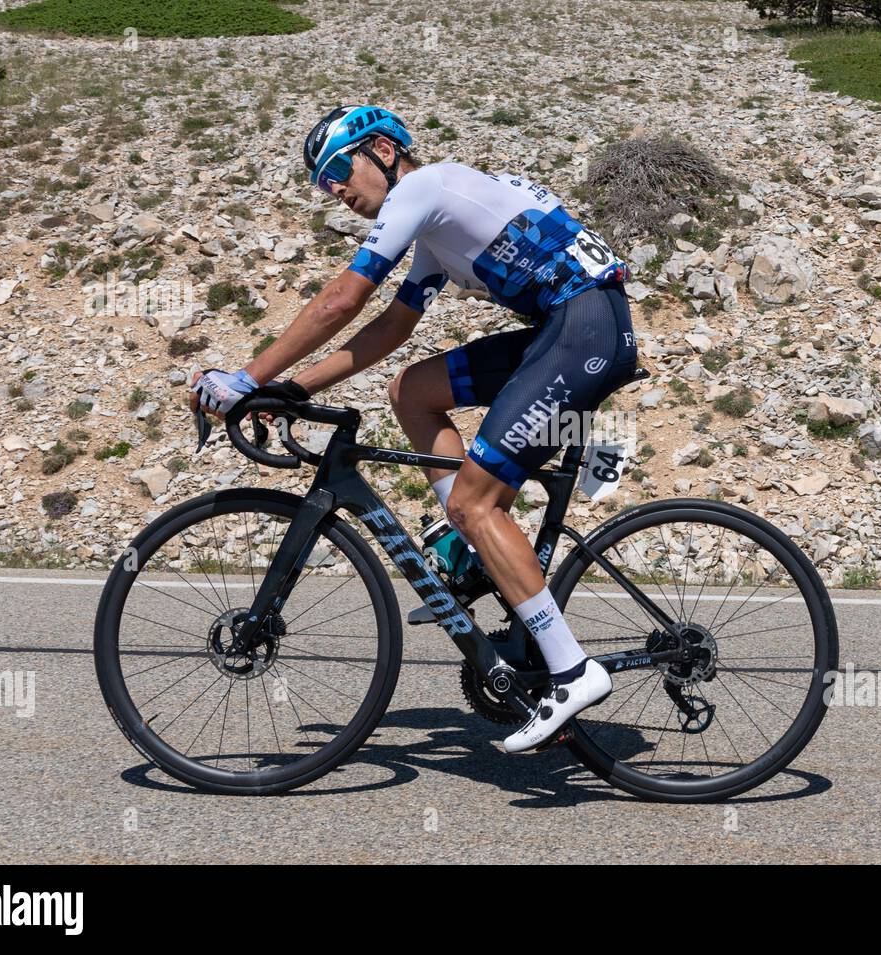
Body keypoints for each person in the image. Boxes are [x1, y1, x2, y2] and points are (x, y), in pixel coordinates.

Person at [190, 105, 638, 752]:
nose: (335, 190)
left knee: (475, 501)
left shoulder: (425, 189)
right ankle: (467, 547)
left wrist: (247, 378)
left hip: (584, 329)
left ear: (383, 150)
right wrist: (293, 388)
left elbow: (343, 300)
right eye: (322, 184)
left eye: (339, 169)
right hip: (565, 327)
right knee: (412, 390)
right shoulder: (435, 230)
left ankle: (571, 670)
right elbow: (391, 330)